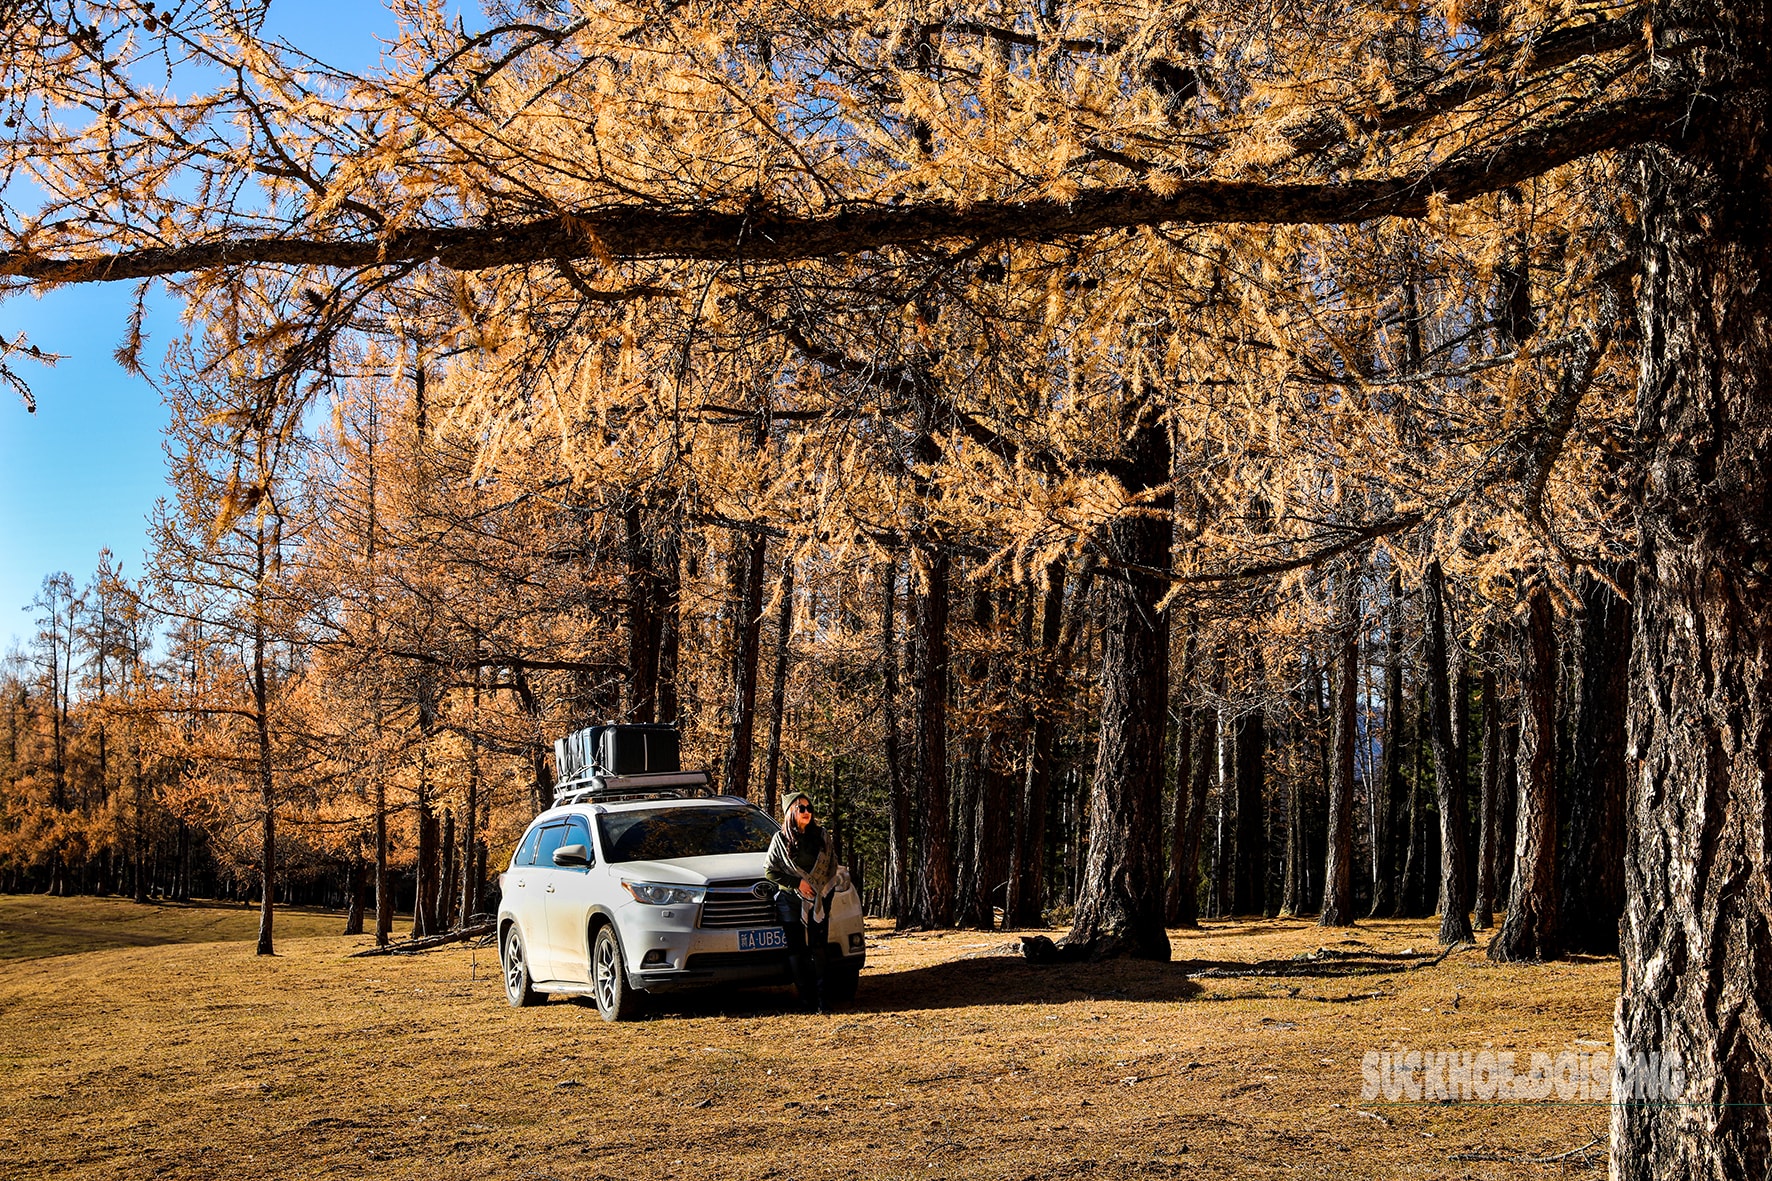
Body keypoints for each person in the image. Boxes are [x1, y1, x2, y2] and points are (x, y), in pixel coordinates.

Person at [764, 790, 848, 1012]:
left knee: (819, 947)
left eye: (809, 808)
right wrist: (797, 883)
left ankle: (822, 1000)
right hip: (790, 901)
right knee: (797, 949)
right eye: (801, 808)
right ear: (791, 811)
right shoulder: (780, 840)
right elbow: (770, 872)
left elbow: (832, 865)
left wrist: (824, 892)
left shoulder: (821, 836)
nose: (807, 812)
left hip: (820, 899)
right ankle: (805, 1000)